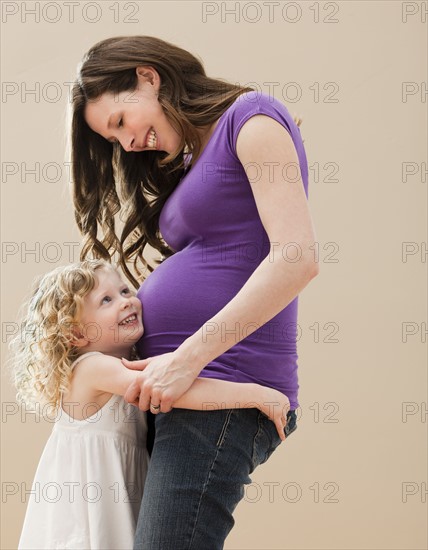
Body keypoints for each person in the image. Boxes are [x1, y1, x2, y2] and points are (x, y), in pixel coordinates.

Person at [71, 35, 319, 549]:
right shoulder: (198, 153)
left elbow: (297, 258)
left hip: (221, 377)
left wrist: (185, 359)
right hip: (184, 388)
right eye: (114, 140)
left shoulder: (250, 118)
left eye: (120, 123)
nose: (128, 143)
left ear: (147, 76)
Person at [9, 259, 291, 550]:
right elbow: (176, 391)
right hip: (89, 502)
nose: (126, 302)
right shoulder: (90, 368)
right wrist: (255, 394)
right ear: (76, 334)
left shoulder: (126, 366)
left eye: (125, 291)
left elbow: (173, 380)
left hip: (118, 490)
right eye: (106, 300)